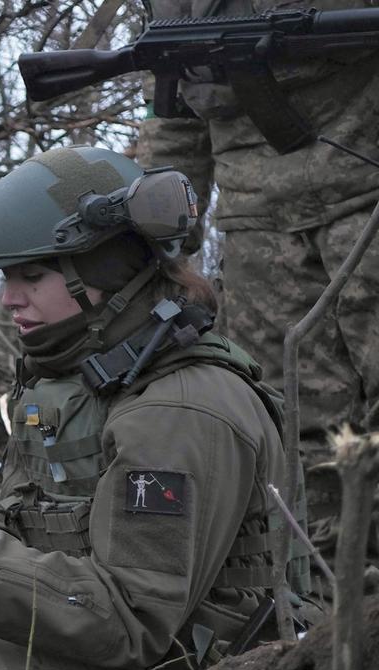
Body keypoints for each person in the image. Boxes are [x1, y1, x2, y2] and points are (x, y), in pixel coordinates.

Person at [0, 146, 315, 670]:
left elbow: (134, 623)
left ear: (105, 269)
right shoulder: (78, 385)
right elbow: (60, 564)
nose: (10, 299)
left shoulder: (181, 408)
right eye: (5, 278)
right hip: (111, 641)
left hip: (199, 659)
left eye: (31, 275)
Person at [136, 0, 379, 438]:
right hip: (258, 236)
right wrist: (159, 247)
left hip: (366, 202)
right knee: (294, 427)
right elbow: (173, 119)